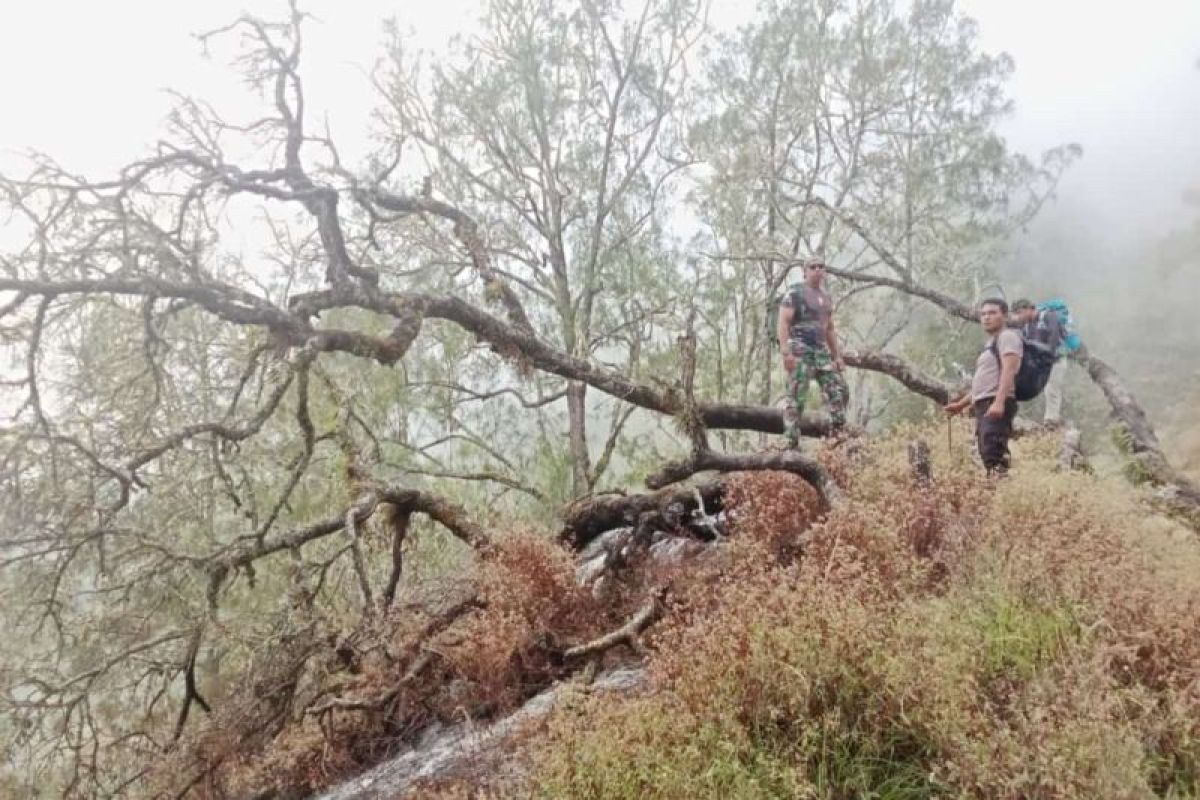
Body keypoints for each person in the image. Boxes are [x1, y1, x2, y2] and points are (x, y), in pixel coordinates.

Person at [944, 298, 1023, 475]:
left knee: (993, 452)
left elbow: (1010, 370)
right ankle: (997, 489)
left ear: (1004, 316)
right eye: (983, 314)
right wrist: (960, 405)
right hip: (985, 403)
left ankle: (1002, 492)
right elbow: (982, 384)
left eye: (992, 313)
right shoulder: (991, 344)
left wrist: (999, 402)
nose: (986, 317)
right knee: (987, 451)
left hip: (995, 402)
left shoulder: (1008, 337)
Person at [776, 256, 849, 446]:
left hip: (821, 353)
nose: (817, 270)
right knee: (796, 398)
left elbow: (830, 329)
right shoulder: (795, 293)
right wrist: (786, 353)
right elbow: (782, 323)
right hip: (799, 350)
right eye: (813, 267)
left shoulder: (826, 297)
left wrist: (837, 356)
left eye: (821, 267)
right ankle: (791, 444)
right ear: (805, 270)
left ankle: (837, 439)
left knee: (837, 391)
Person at [1011, 298, 1070, 426]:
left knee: (1052, 389)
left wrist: (1049, 354)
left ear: (1029, 309)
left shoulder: (1048, 316)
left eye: (1020, 312)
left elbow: (1054, 337)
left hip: (1056, 359)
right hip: (1039, 362)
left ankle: (1051, 420)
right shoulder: (1026, 325)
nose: (1018, 316)